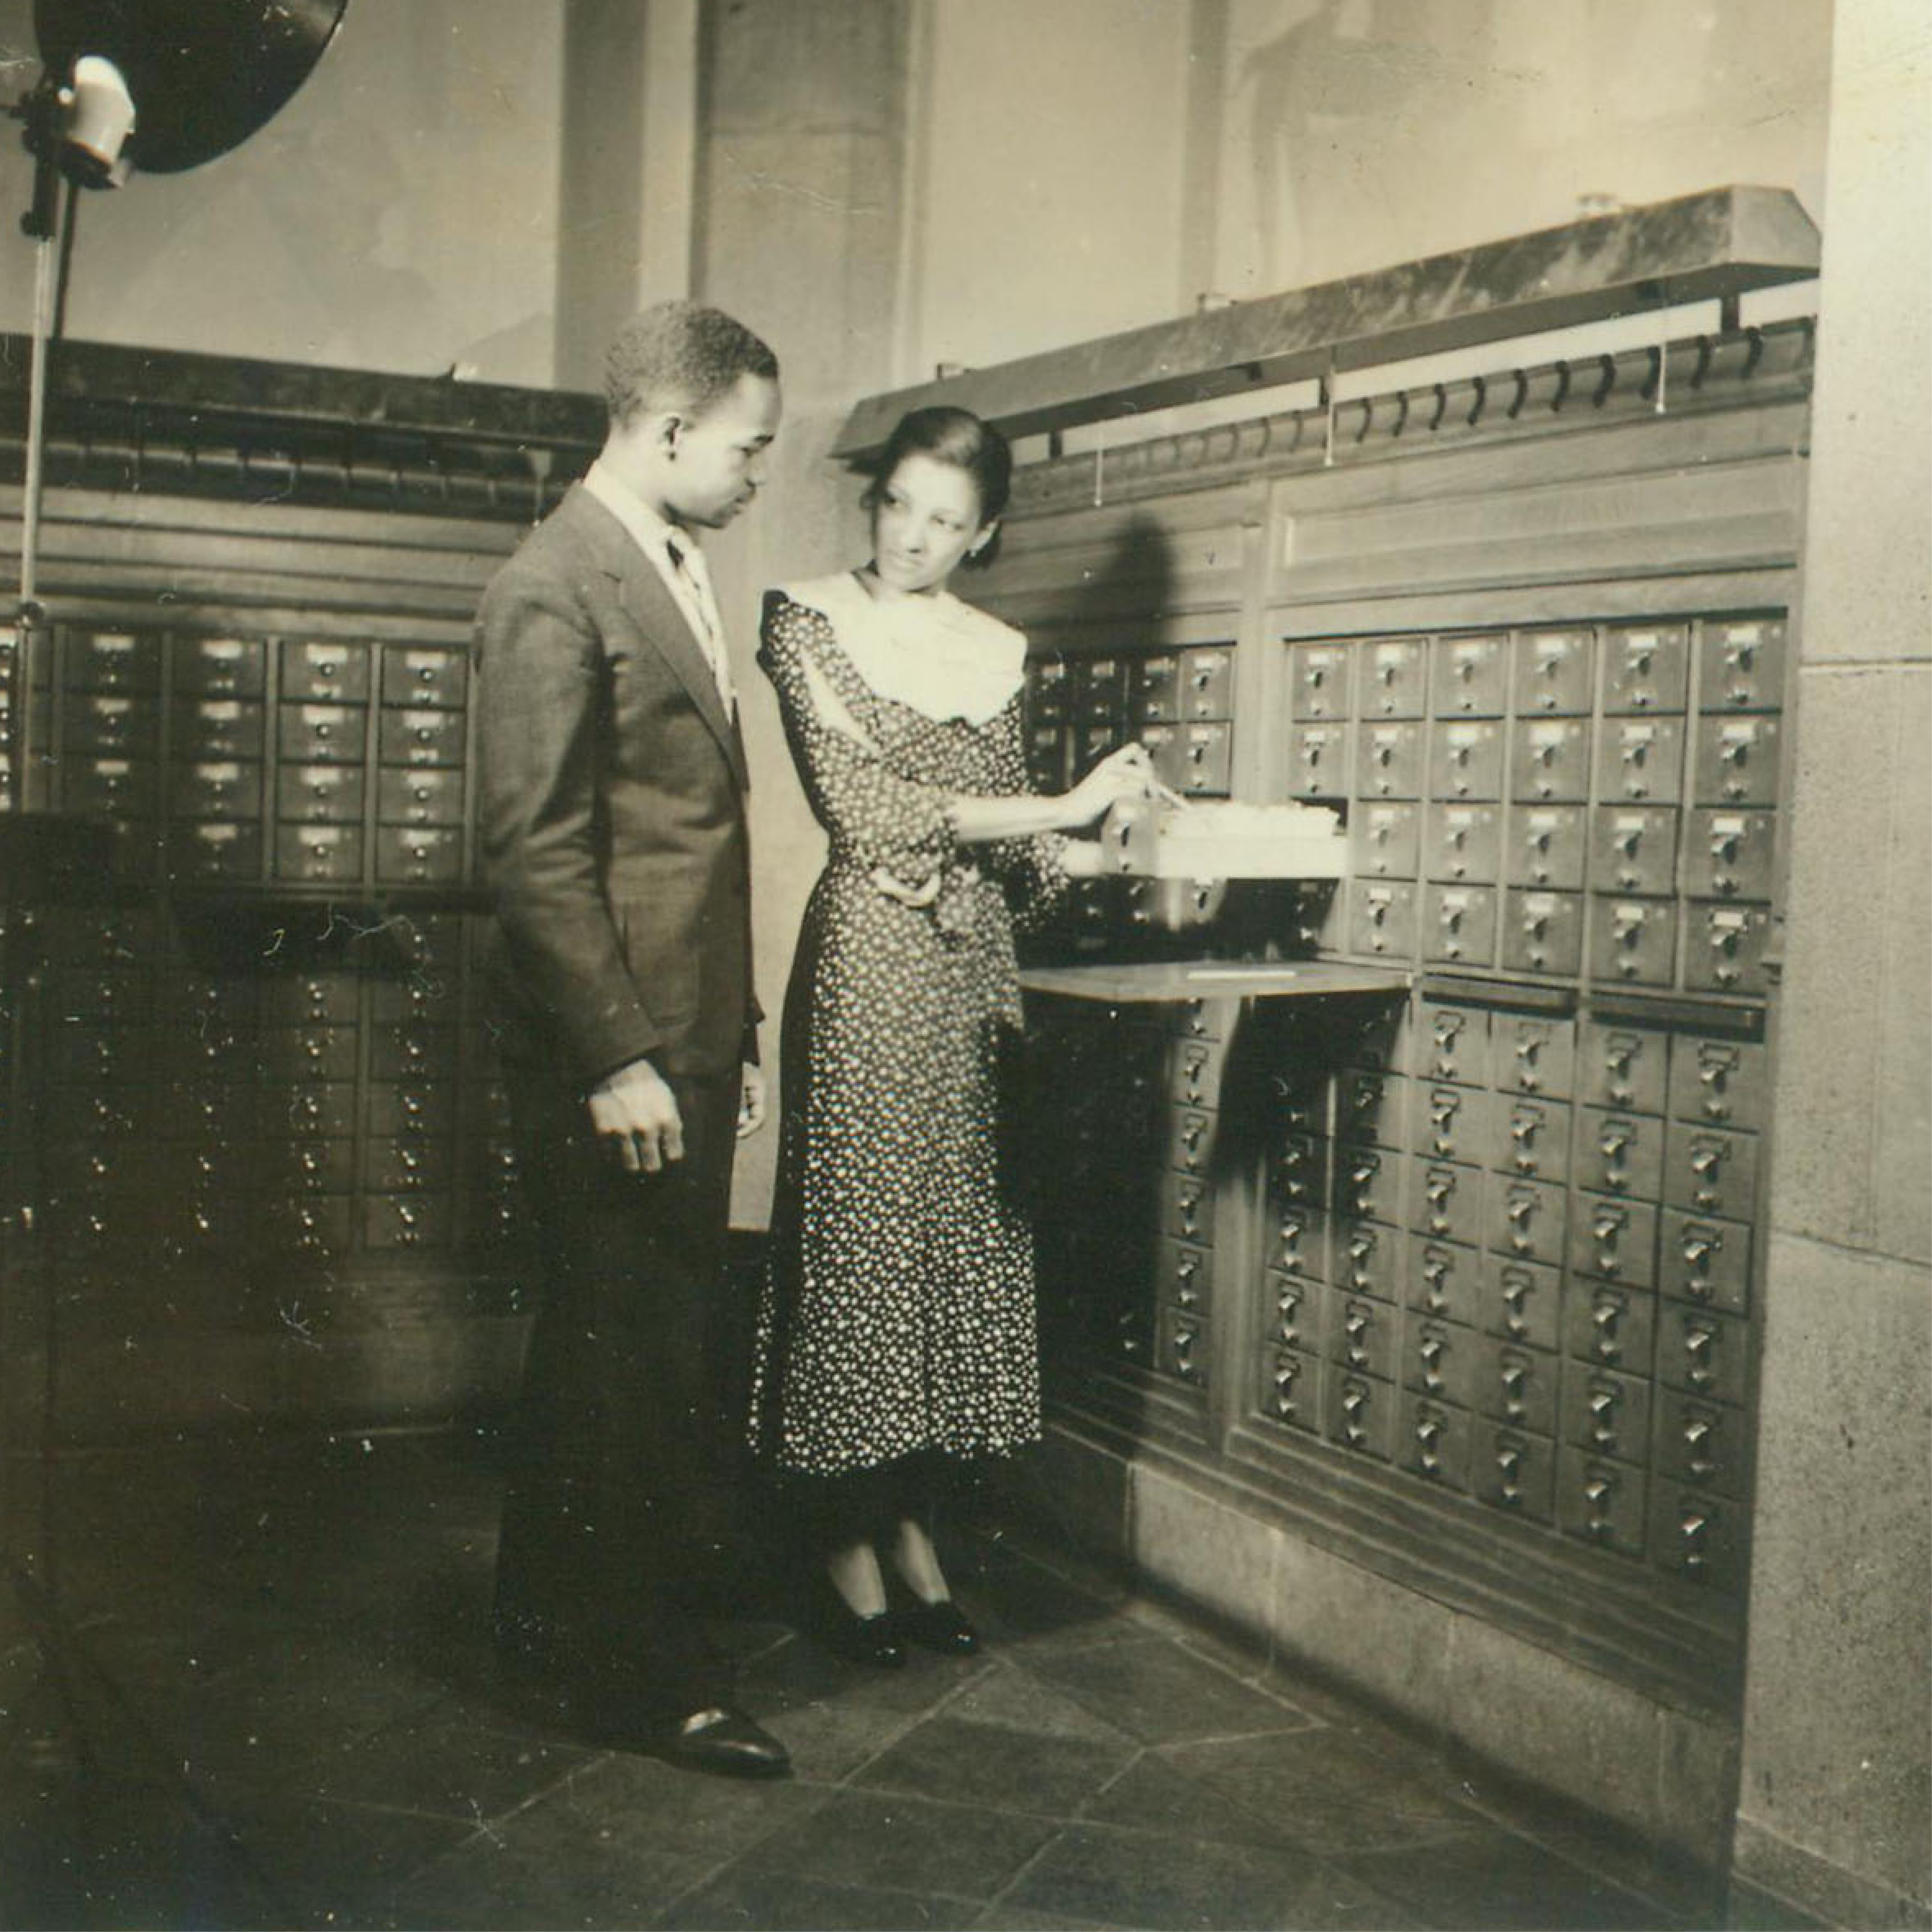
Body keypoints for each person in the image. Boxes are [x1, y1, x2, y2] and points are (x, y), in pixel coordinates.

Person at [747, 404, 1158, 1664]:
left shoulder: (994, 647)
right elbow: (869, 811)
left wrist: (1106, 838)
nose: (912, 539)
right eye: (898, 508)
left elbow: (1015, 852)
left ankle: (912, 1527)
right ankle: (840, 1538)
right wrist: (1053, 804)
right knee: (864, 1243)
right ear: (874, 503)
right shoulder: (805, 617)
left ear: (982, 535)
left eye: (944, 521)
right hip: (873, 961)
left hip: (972, 964)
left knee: (955, 1242)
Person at [474, 301, 789, 1779]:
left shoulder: (669, 563)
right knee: (633, 1364)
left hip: (682, 1035)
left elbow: (689, 837)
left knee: (611, 1357)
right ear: (669, 433)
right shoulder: (555, 585)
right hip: (624, 1059)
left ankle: (551, 1637)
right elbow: (536, 855)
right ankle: (644, 1680)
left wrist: (729, 1026)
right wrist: (616, 1057)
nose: (756, 476)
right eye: (748, 449)